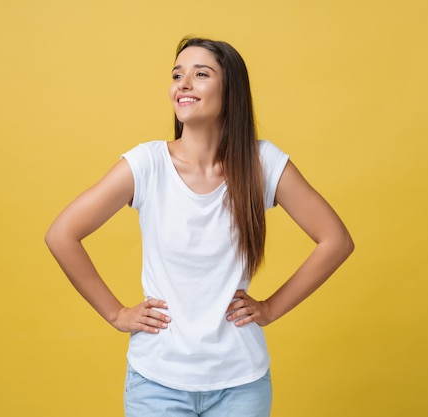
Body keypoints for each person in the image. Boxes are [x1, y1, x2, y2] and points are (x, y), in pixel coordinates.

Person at [45, 36, 354, 417]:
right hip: (156, 382)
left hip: (241, 384)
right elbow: (62, 234)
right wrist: (116, 314)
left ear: (231, 91)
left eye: (200, 74)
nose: (183, 84)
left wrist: (271, 308)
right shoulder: (147, 164)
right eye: (177, 74)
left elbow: (336, 240)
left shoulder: (262, 164)